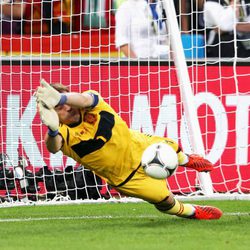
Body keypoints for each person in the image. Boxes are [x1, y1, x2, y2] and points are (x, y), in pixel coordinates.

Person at [35, 79, 223, 220]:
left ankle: (186, 160)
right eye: (60, 107)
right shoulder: (60, 132)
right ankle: (191, 212)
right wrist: (52, 130)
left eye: (67, 100)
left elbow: (84, 99)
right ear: (52, 114)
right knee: (163, 199)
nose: (67, 107)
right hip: (125, 177)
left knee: (171, 147)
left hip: (138, 145)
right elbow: (53, 148)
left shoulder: (91, 103)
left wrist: (60, 97)